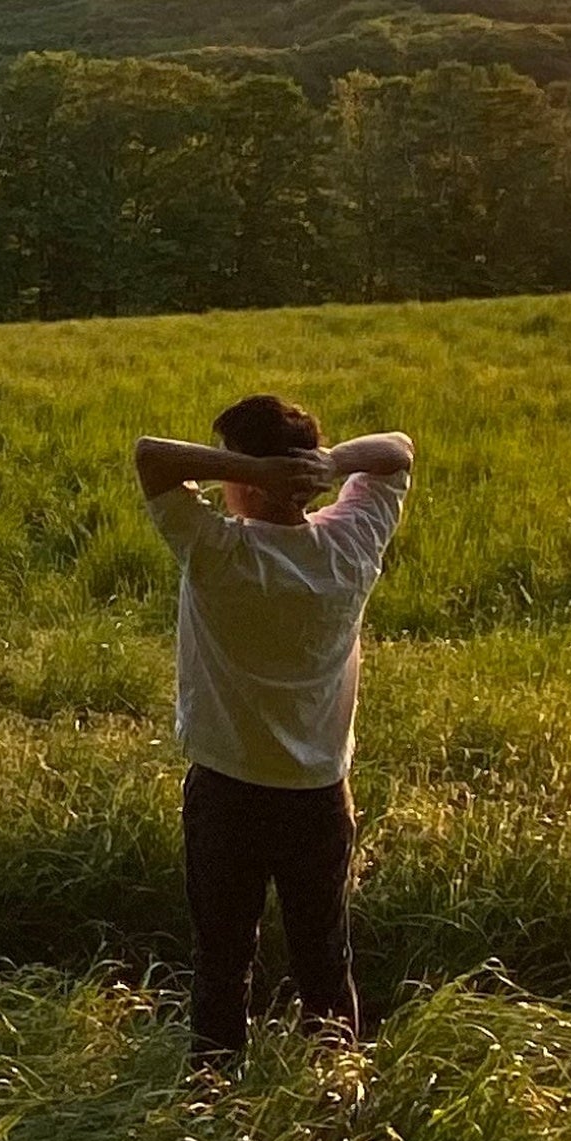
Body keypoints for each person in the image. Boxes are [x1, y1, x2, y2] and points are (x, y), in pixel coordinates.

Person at [133, 394, 416, 1063]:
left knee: (222, 964)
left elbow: (150, 456)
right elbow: (398, 448)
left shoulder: (217, 551)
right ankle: (338, 1096)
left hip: (228, 792)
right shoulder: (349, 544)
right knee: (324, 959)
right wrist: (328, 463)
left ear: (240, 473)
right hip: (319, 793)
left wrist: (256, 472)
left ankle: (210, 1104)